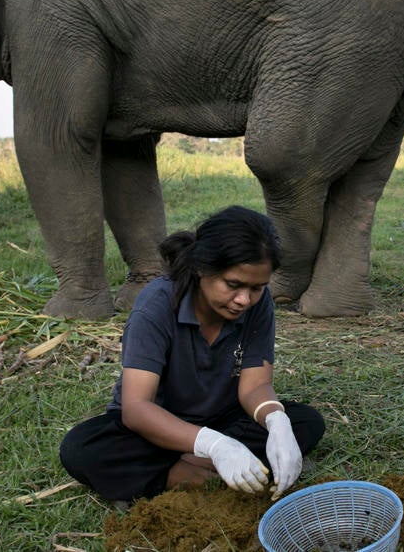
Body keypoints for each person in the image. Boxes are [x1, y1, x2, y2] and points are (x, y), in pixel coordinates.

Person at [59, 205, 325, 502]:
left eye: (257, 288)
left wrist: (276, 422)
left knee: (305, 421)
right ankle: (175, 473)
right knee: (82, 448)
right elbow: (136, 408)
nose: (244, 300)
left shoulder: (257, 306)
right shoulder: (157, 304)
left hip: (224, 418)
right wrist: (214, 445)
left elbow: (255, 386)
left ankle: (205, 463)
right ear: (202, 268)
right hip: (156, 428)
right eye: (233, 285)